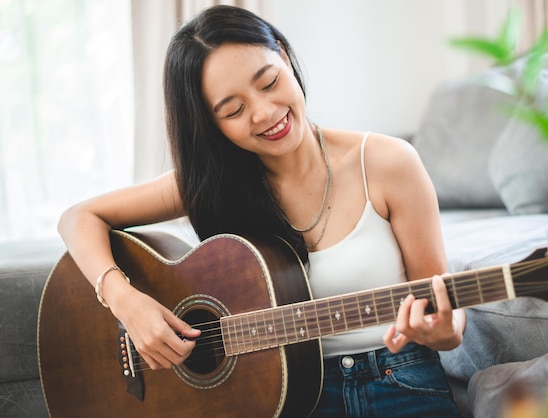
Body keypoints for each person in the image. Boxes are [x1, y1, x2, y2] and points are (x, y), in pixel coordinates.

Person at [57, 5, 466, 417]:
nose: (265, 113)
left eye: (269, 82)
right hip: (275, 395)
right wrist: (127, 302)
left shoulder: (387, 162)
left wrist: (446, 331)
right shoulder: (210, 183)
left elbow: (443, 306)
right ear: (210, 124)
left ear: (285, 58)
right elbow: (78, 217)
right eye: (233, 110)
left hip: (399, 379)